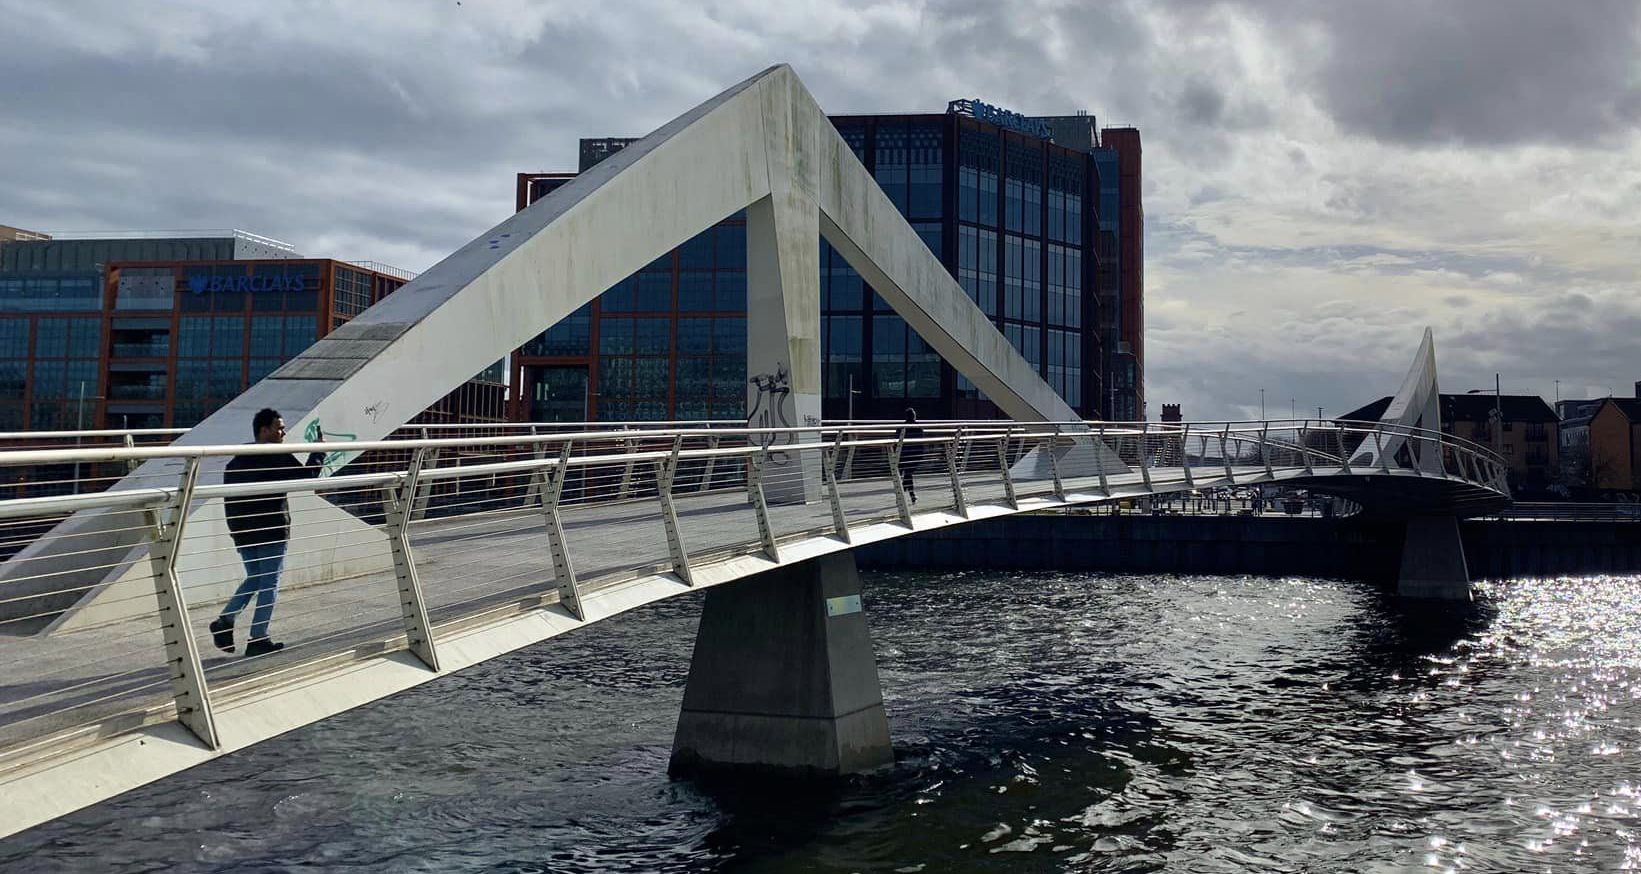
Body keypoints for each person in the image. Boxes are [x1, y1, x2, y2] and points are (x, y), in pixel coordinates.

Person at [209, 408, 325, 658]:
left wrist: (236, 532)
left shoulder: (238, 459)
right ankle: (258, 637)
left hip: (243, 531)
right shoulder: (275, 456)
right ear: (264, 430)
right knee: (269, 582)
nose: (283, 432)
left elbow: (230, 500)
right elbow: (308, 478)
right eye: (279, 428)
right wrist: (318, 452)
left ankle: (225, 622)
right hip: (271, 530)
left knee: (255, 578)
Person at [899, 407, 924, 504]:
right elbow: (921, 442)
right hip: (915, 455)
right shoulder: (918, 427)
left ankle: (905, 492)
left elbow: (896, 440)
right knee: (908, 473)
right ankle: (910, 494)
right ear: (914, 416)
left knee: (906, 474)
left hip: (903, 455)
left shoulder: (902, 427)